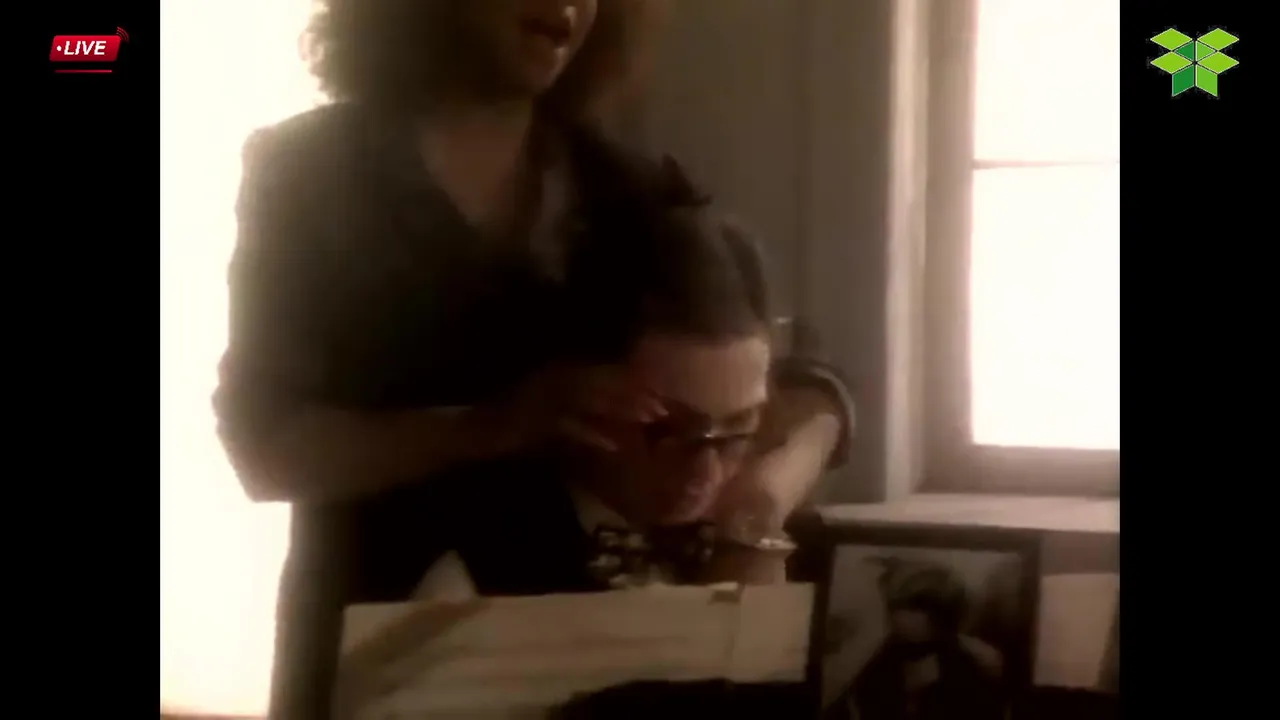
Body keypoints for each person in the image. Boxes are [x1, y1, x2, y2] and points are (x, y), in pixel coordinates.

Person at [213, 1, 854, 717]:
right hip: (378, 637)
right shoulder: (307, 173)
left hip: (573, 646)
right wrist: (493, 425)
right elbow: (263, 453)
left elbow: (813, 386)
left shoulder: (625, 185)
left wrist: (761, 496)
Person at [412, 179, 805, 599]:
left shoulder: (760, 533)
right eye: (668, 429)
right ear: (581, 395)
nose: (706, 474)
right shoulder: (473, 569)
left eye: (738, 428)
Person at [827, 559, 1005, 720]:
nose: (899, 617)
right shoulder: (878, 660)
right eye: (895, 606)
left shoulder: (969, 668)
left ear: (940, 613)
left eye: (915, 608)